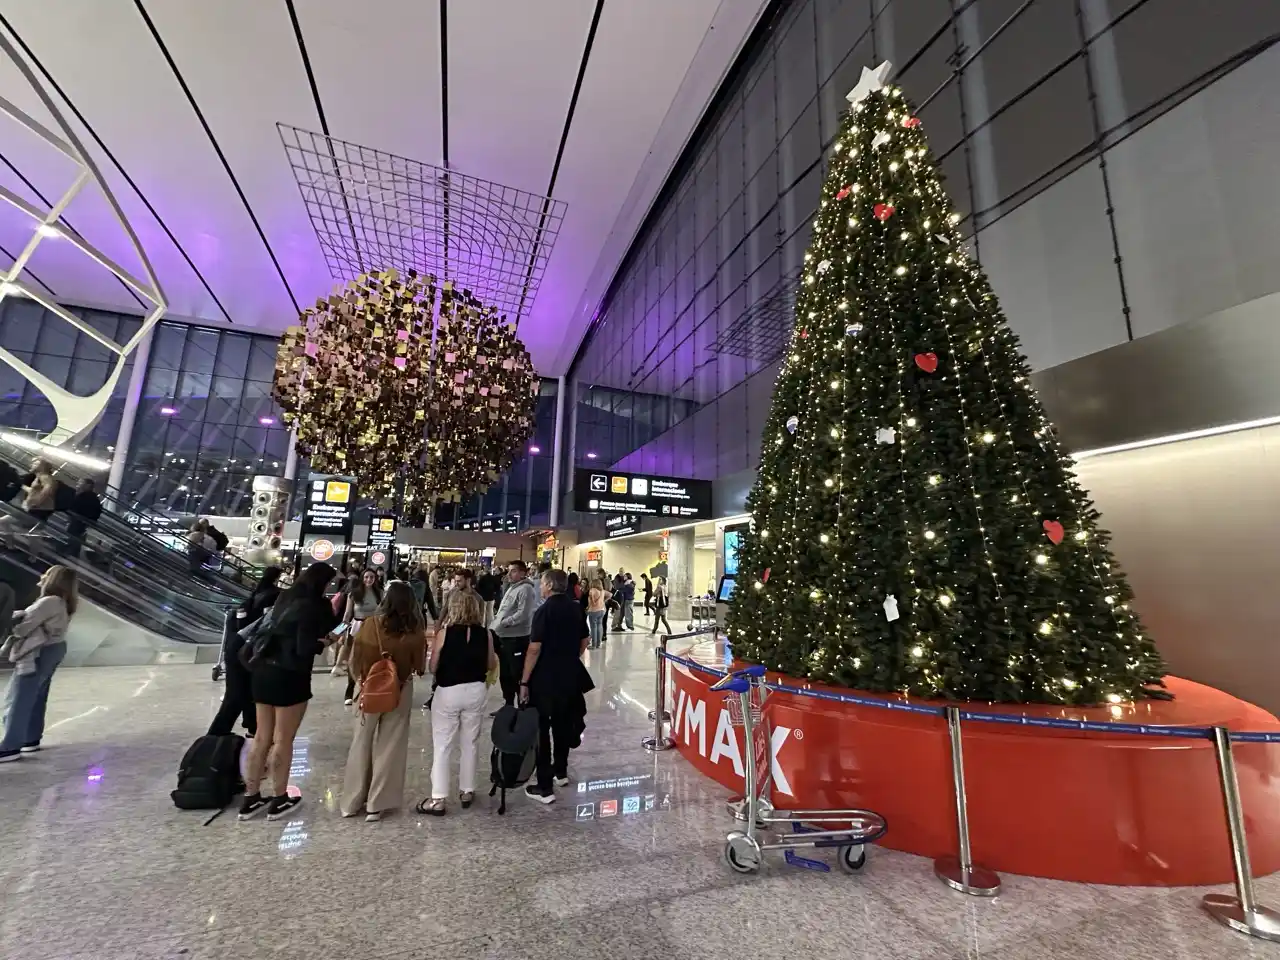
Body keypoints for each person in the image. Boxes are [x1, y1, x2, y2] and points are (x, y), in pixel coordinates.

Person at [238, 561, 339, 821]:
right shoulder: (314, 606)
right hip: (290, 676)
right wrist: (326, 641)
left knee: (262, 737)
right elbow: (304, 648)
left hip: (262, 671)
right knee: (283, 739)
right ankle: (279, 797)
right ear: (322, 583)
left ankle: (251, 797)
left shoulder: (285, 596)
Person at [340, 581, 428, 821]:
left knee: (361, 742)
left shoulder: (370, 625)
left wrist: (361, 680)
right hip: (399, 689)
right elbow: (420, 667)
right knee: (390, 746)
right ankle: (376, 805)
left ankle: (351, 801)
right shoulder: (415, 631)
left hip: (368, 687)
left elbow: (354, 659)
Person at [417, 588, 496, 816]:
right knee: (470, 742)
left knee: (443, 744)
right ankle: (467, 790)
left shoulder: (444, 633)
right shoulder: (486, 634)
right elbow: (491, 665)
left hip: (448, 691)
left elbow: (433, 667)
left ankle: (438, 798)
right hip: (476, 690)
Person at [520, 569, 591, 803]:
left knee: (542, 729)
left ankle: (544, 786)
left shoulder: (544, 611)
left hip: (545, 679)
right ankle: (560, 771)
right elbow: (585, 639)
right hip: (569, 676)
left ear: (549, 585)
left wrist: (524, 681)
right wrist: (571, 656)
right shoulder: (576, 608)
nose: (540, 587)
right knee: (563, 723)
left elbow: (534, 648)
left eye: (542, 583)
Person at [0, 565, 77, 761]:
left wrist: (15, 618)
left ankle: (10, 746)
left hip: (38, 652)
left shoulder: (48, 601)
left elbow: (21, 630)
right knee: (37, 696)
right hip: (54, 649)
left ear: (53, 580)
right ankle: (30, 739)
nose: (42, 577)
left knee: (20, 698)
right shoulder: (64, 601)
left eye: (47, 574)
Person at [209, 567, 281, 738]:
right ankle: (215, 736)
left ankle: (251, 727)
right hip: (247, 649)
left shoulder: (255, 594)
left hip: (239, 646)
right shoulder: (274, 596)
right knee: (236, 696)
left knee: (245, 691)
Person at [488, 559, 537, 709]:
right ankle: (508, 705)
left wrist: (504, 622)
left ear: (523, 573)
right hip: (504, 636)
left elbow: (524, 614)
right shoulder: (512, 587)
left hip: (516, 638)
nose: (509, 574)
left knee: (516, 673)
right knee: (506, 674)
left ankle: (522, 705)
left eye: (513, 571)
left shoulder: (526, 589)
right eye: (509, 570)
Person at [337, 569, 383, 705]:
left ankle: (367, 689)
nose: (369, 580)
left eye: (372, 577)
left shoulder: (379, 593)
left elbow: (382, 613)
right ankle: (350, 689)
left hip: (373, 628)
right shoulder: (354, 594)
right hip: (356, 627)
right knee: (354, 660)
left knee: (372, 659)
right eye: (367, 577)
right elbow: (347, 615)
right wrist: (338, 632)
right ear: (362, 578)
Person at [62, 478, 103, 559]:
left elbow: (73, 507)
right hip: (83, 524)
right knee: (76, 541)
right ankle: (72, 557)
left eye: (81, 482)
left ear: (88, 485)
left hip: (78, 523)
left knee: (73, 541)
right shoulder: (93, 498)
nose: (78, 483)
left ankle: (70, 557)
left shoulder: (84, 496)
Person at [586, 578, 606, 649]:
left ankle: (593, 645)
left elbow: (590, 602)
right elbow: (610, 595)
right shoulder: (603, 591)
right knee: (599, 626)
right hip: (601, 610)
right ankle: (598, 644)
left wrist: (587, 608)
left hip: (594, 611)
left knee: (593, 628)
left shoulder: (592, 590)